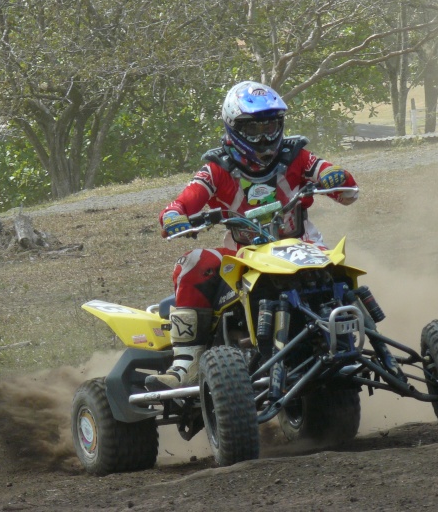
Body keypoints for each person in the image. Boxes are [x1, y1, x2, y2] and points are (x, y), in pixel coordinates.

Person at [145, 81, 358, 391]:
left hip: (302, 246)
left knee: (340, 273)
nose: (265, 136)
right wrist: (175, 216)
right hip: (243, 256)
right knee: (192, 263)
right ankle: (186, 364)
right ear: (234, 128)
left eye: (271, 125)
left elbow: (346, 189)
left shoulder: (297, 155)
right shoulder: (217, 169)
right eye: (254, 128)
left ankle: (354, 338)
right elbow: (185, 200)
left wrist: (332, 176)